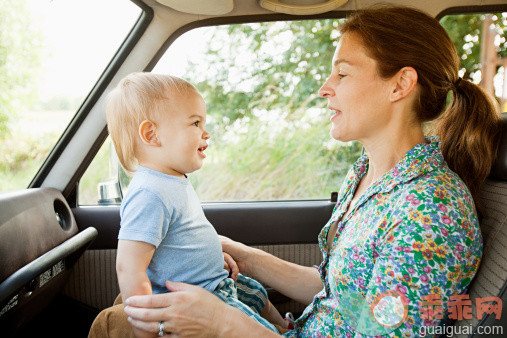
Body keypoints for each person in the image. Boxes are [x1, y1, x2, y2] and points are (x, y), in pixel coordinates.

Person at [91, 5, 502, 337]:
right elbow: (342, 293)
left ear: (399, 85)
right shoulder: (369, 175)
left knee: (115, 324)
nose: (325, 86)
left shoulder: (430, 213)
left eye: (342, 73)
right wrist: (243, 257)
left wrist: (223, 323)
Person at [94, 72, 288, 338]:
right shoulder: (149, 193)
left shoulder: (172, 180)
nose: (206, 132)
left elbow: (181, 238)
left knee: (257, 293)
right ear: (152, 134)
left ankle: (288, 328)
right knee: (252, 323)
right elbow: (130, 267)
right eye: (195, 123)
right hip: (199, 297)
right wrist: (145, 326)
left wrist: (208, 259)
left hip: (213, 280)